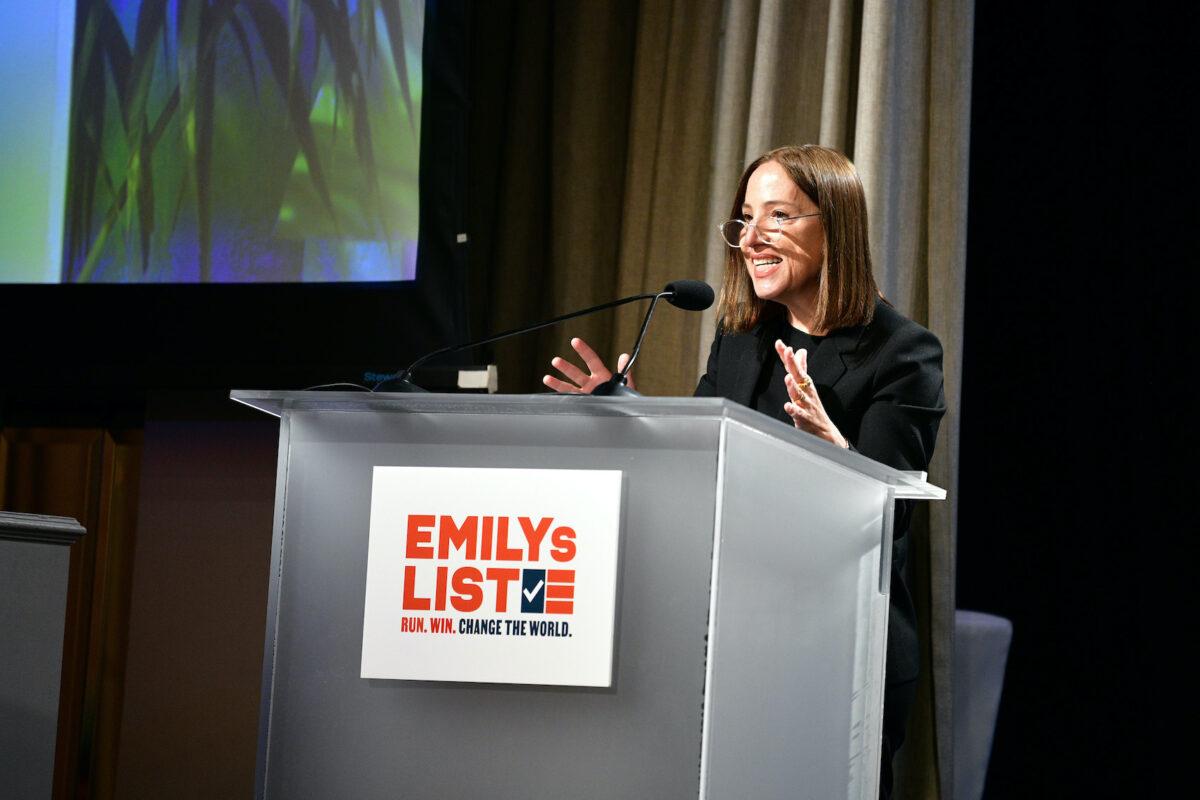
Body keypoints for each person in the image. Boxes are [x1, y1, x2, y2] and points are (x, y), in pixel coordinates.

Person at [543, 144, 945, 798]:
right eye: (745, 219)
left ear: (835, 226)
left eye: (779, 217)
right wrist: (628, 417)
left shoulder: (903, 352)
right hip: (732, 640)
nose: (751, 238)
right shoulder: (741, 336)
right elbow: (705, 466)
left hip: (839, 653)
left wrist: (833, 455)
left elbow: (892, 518)